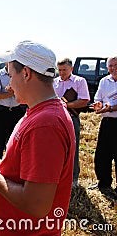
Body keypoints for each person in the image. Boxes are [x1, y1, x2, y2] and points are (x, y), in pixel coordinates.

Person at [0, 40, 75, 235]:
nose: (9, 84)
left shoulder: (44, 124)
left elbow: (36, 205)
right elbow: (26, 168)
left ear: (26, 73)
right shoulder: (38, 113)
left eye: (10, 75)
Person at [53, 58, 90, 187]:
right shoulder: (54, 82)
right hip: (55, 118)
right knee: (56, 148)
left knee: (72, 148)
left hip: (71, 117)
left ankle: (73, 179)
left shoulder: (79, 81)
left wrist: (65, 105)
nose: (62, 73)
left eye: (64, 70)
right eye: (60, 70)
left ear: (71, 69)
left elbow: (84, 101)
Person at [89, 56, 117, 200]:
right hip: (107, 121)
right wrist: (99, 105)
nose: (113, 68)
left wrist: (111, 107)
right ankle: (104, 183)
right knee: (103, 154)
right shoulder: (104, 81)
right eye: (110, 66)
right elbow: (98, 98)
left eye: (116, 65)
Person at [0, 62, 26, 159]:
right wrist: (12, 93)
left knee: (15, 142)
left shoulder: (21, 75)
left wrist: (14, 91)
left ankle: (12, 168)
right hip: (1, 112)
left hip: (17, 111)